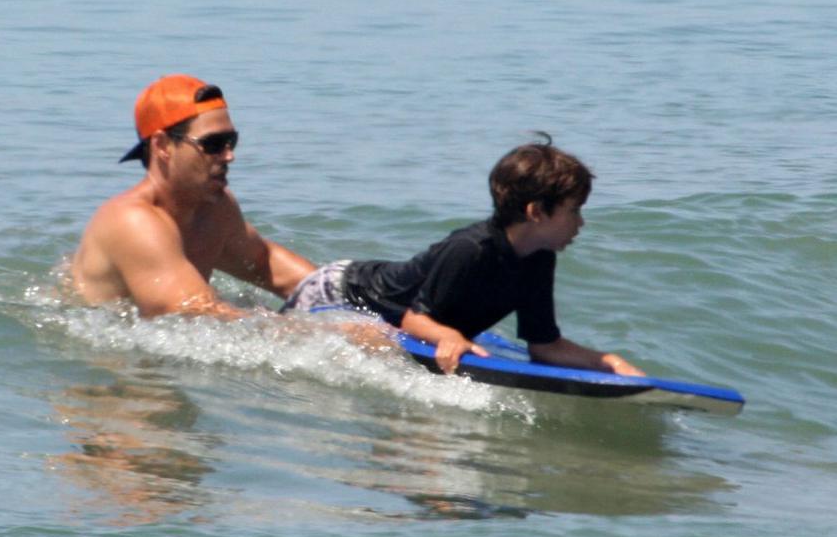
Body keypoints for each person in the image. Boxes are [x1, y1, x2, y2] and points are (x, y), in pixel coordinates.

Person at [280, 134, 645, 377]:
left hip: (387, 314)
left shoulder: (539, 258)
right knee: (284, 339)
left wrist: (607, 363)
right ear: (536, 212)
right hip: (342, 294)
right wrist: (448, 336)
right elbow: (414, 322)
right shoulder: (470, 249)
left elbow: (544, 347)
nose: (580, 223)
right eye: (574, 211)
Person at [69, 74, 315, 318]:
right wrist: (322, 332)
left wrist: (332, 286)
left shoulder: (214, 207)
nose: (229, 156)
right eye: (213, 144)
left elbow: (264, 263)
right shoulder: (132, 221)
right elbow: (193, 311)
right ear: (162, 145)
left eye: (231, 141)